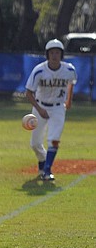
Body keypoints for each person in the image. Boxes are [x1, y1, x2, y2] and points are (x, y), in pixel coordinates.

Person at [25, 38, 76, 182]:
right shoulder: (39, 70)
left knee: (54, 139)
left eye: (57, 52)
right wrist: (39, 109)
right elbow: (29, 92)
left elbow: (71, 83)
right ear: (47, 54)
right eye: (52, 52)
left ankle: (47, 170)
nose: (55, 55)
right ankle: (43, 160)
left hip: (58, 108)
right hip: (41, 107)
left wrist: (69, 100)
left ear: (62, 55)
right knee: (35, 144)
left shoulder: (69, 70)